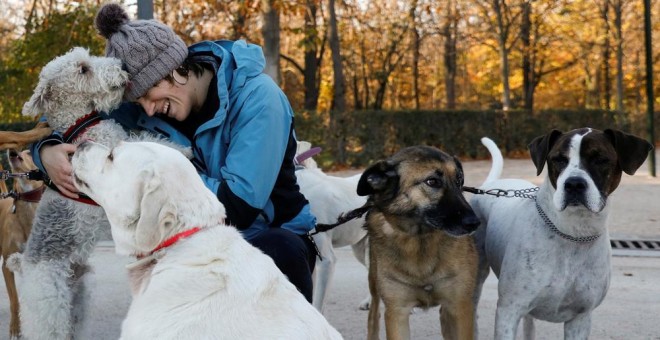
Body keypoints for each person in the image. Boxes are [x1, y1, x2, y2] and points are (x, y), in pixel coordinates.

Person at [33, 3, 319, 302]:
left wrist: (161, 172)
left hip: (263, 233)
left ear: (174, 68)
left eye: (147, 94)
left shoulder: (259, 99)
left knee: (279, 248)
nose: (147, 108)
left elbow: (239, 208)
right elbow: (64, 119)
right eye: (137, 99)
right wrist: (46, 151)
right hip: (187, 240)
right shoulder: (142, 108)